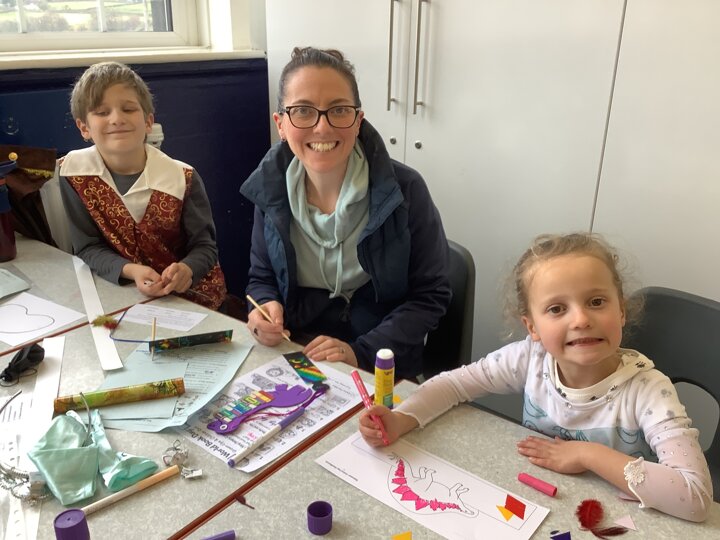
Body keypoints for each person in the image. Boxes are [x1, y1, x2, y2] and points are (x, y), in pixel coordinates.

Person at [359, 233, 713, 522]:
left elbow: (695, 497)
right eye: (557, 309)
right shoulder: (531, 358)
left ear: (620, 310)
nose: (580, 320)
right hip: (541, 507)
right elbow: (454, 384)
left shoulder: (649, 390)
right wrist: (402, 419)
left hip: (617, 521)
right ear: (532, 327)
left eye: (596, 302)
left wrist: (586, 455)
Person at [240, 47, 451, 380]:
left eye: (338, 110)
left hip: (381, 362)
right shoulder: (269, 190)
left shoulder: (406, 190)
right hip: (299, 353)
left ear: (358, 120)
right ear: (281, 124)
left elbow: (430, 295)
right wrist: (264, 308)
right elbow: (262, 278)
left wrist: (360, 352)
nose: (322, 127)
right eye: (303, 111)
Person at [59, 61, 226, 310]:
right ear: (84, 127)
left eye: (128, 109)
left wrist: (187, 269)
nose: (117, 119)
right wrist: (131, 270)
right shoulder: (73, 173)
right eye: (102, 112)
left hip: (193, 299)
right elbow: (87, 246)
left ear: (148, 122)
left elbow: (205, 247)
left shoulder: (182, 178)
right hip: (126, 297)